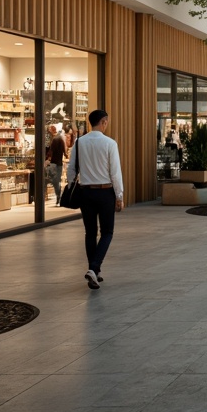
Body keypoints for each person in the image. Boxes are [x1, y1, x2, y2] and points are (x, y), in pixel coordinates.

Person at [68, 108, 123, 289]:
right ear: (104, 121)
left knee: (90, 232)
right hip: (105, 191)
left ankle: (95, 272)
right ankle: (93, 268)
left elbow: (71, 169)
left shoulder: (79, 142)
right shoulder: (109, 143)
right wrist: (119, 195)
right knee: (107, 232)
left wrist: (70, 187)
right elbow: (115, 172)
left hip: (85, 192)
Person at [46, 124, 66, 205]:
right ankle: (59, 196)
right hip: (59, 163)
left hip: (54, 163)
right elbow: (65, 151)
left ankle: (58, 195)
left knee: (54, 181)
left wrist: (48, 159)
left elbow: (51, 152)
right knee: (56, 180)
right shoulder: (60, 139)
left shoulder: (55, 139)